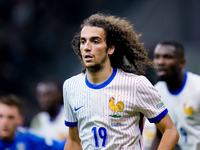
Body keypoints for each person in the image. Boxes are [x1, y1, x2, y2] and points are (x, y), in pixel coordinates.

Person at [63, 13, 179, 150]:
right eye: (83, 41)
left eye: (95, 41)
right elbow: (74, 140)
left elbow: (170, 131)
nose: (87, 47)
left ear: (110, 48)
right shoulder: (71, 86)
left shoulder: (136, 85)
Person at [146, 41, 200, 150]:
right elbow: (160, 135)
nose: (160, 62)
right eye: (157, 57)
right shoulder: (157, 91)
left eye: (167, 57)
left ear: (181, 62)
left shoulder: (197, 89)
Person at [0, 94, 65, 150]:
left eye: (11, 117)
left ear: (20, 120)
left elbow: (60, 147)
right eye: (1, 116)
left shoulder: (30, 139)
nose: (5, 122)